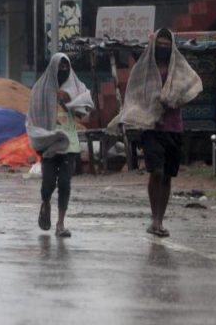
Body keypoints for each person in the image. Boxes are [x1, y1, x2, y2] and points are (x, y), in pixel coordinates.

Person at [108, 29, 202, 237]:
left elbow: (190, 86)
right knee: (156, 172)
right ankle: (154, 218)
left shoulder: (179, 69)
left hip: (174, 128)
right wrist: (149, 107)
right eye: (159, 44)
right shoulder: (143, 70)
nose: (163, 49)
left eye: (167, 45)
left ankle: (160, 218)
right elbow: (135, 95)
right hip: (151, 128)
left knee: (168, 175)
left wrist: (173, 97)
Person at [26, 53, 93, 238]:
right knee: (48, 183)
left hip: (69, 144)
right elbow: (33, 115)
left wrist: (67, 100)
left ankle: (61, 223)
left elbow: (84, 114)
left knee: (65, 183)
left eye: (66, 67)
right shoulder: (40, 89)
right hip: (49, 143)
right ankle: (45, 202)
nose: (63, 71)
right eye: (60, 67)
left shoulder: (77, 87)